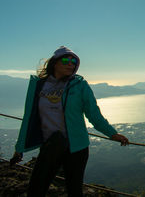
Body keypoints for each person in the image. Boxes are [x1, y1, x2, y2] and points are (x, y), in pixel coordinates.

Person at [10, 46, 129, 197]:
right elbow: (29, 117)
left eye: (74, 62)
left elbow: (93, 114)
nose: (70, 64)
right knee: (36, 189)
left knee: (74, 190)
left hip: (76, 147)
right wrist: (19, 148)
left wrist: (112, 134)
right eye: (66, 60)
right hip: (50, 145)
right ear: (54, 63)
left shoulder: (79, 85)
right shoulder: (38, 85)